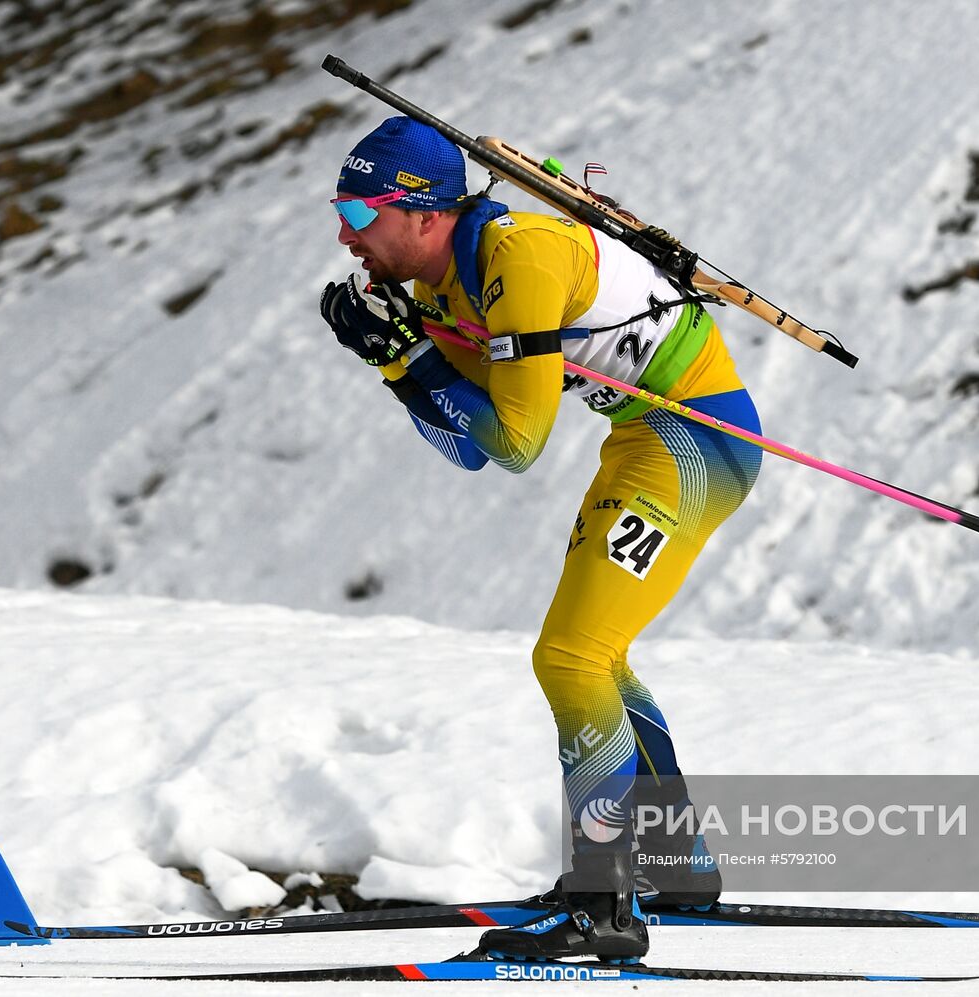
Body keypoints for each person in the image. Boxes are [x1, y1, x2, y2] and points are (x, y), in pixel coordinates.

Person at [319, 116, 762, 963]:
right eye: (338, 208)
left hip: (695, 440)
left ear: (421, 213)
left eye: (358, 209)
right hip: (644, 439)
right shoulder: (445, 280)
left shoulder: (516, 261)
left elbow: (517, 443)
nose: (343, 231)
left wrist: (411, 363)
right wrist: (392, 356)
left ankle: (604, 900)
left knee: (571, 658)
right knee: (597, 656)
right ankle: (675, 862)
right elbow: (471, 448)